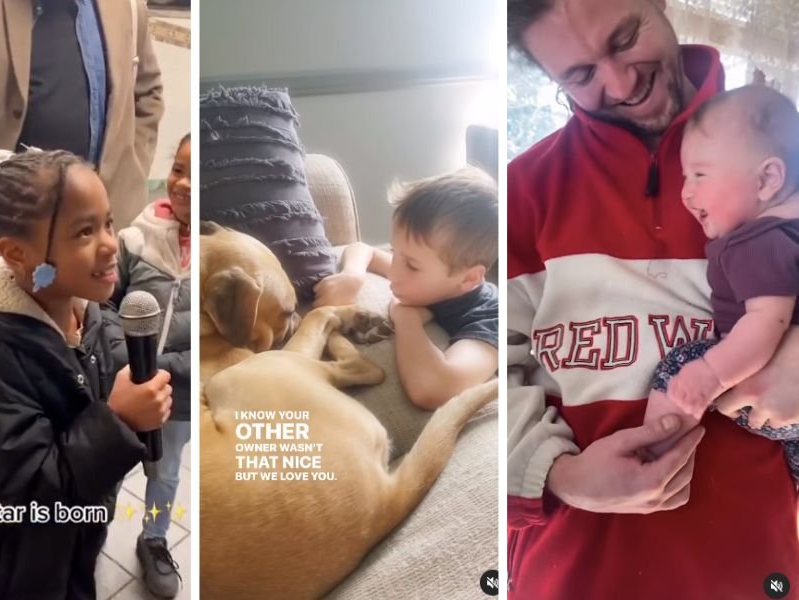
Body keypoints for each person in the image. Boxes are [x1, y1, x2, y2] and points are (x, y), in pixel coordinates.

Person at [507, 0, 799, 597]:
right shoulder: (518, 193)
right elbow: (475, 387)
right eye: (579, 76)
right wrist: (556, 474)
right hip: (569, 571)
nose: (620, 83)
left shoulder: (779, 160)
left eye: (625, 37)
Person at [0, 148, 173, 599]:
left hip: (67, 551)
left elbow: (127, 365)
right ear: (18, 253)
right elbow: (26, 496)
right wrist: (117, 423)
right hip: (0, 570)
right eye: (83, 231)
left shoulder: (90, 316)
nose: (108, 244)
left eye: (108, 223)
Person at [0, 0, 164, 284]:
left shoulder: (128, 8)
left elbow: (148, 94)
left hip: (97, 227)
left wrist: (130, 163)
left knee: (92, 324)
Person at [642, 85, 799, 473]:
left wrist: (710, 373)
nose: (686, 193)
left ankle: (652, 457)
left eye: (699, 175)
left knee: (679, 369)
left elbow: (765, 323)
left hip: (767, 380)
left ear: (767, 180)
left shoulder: (757, 241)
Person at [314, 168, 498, 409]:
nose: (394, 273)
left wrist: (406, 317)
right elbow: (361, 248)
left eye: (411, 265)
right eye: (394, 252)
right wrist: (352, 275)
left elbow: (433, 389)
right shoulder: (430, 277)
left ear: (469, 278)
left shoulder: (490, 318)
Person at [105, 133, 191, 598]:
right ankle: (92, 527)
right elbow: (103, 306)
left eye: (198, 175)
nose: (184, 183)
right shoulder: (134, 239)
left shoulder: (222, 259)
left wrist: (165, 372)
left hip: (177, 402)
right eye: (178, 169)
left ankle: (154, 538)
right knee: (110, 462)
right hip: (123, 388)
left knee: (166, 471)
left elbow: (222, 344)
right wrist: (128, 366)